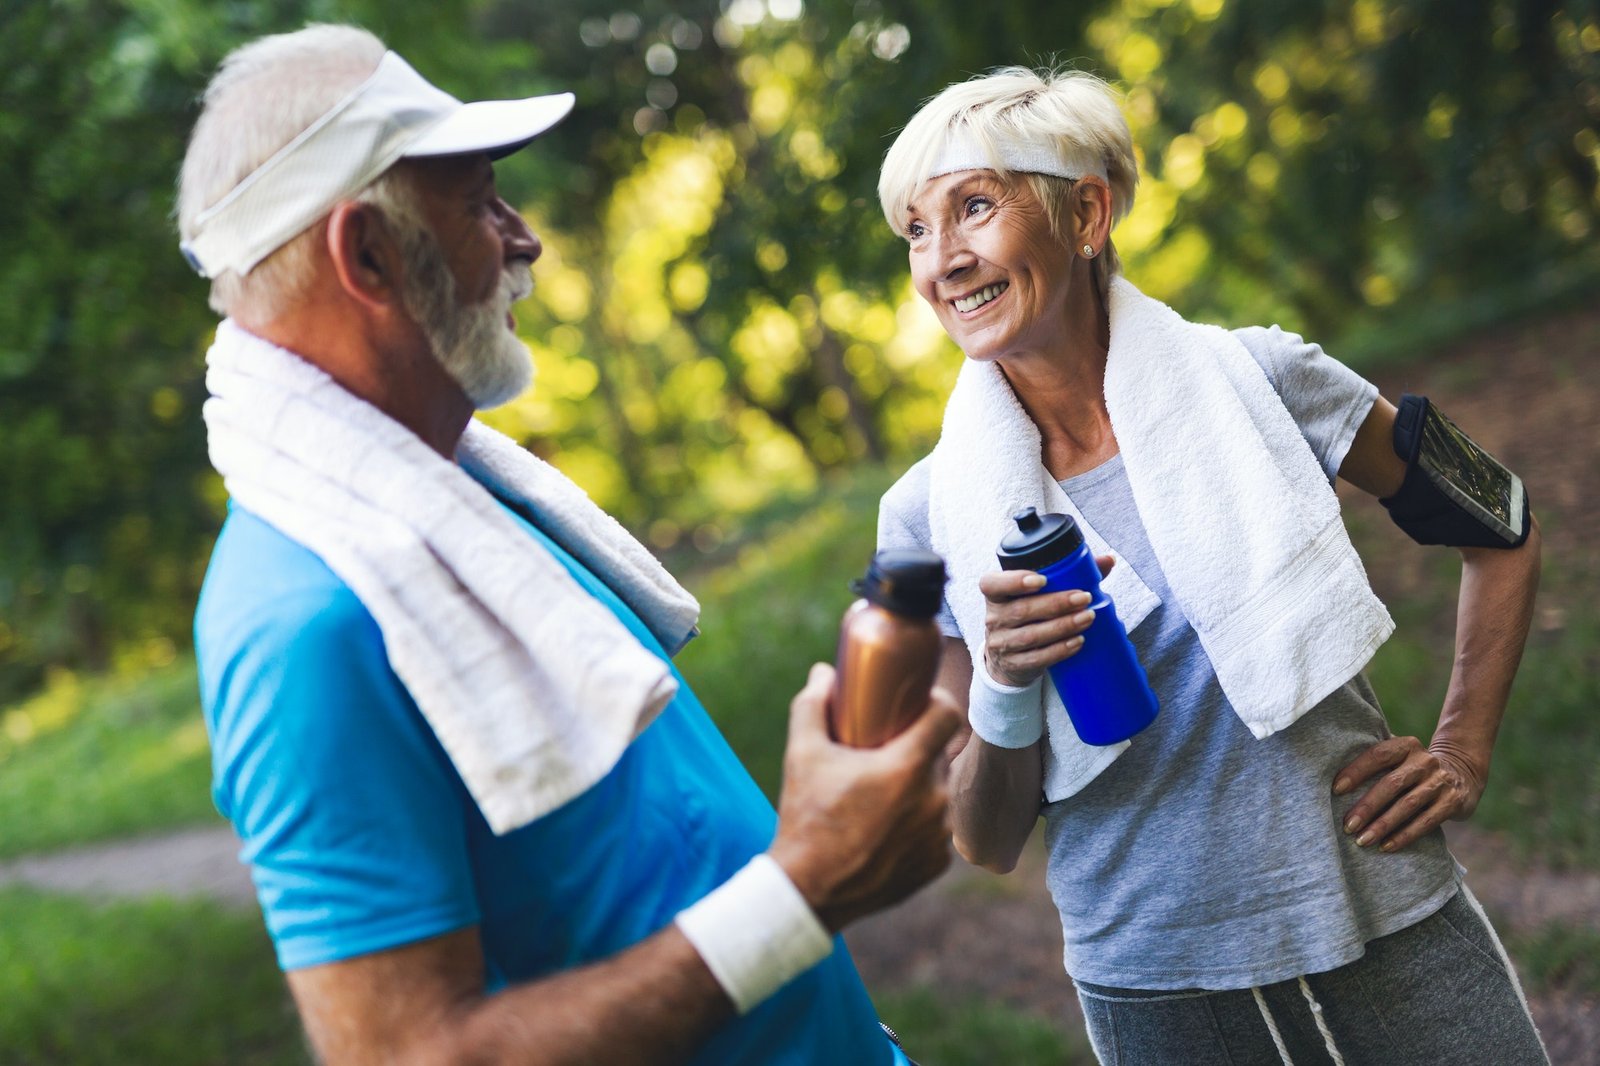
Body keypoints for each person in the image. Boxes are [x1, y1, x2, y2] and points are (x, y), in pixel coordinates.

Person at [183, 25, 958, 1066]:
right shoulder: (302, 625)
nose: (521, 236)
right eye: (475, 201)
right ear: (364, 253)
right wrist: (807, 887)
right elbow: (411, 1054)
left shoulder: (441, 502)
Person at [874, 67, 1547, 1064]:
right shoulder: (926, 515)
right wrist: (1006, 684)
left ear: (1085, 211)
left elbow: (1503, 520)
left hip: (1385, 920)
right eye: (917, 231)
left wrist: (1460, 746)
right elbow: (983, 837)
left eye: (974, 207)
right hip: (1156, 994)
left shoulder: (1261, 377)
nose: (943, 262)